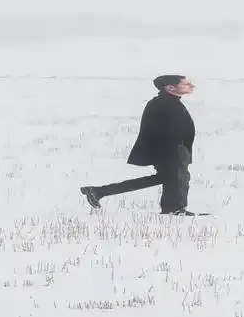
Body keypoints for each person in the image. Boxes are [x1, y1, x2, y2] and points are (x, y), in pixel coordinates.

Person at [80, 74, 202, 216]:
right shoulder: (163, 104)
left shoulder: (169, 102)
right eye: (185, 84)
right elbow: (157, 131)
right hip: (168, 152)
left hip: (173, 151)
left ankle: (98, 191)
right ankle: (174, 210)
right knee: (177, 178)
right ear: (170, 87)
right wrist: (175, 152)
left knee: (171, 178)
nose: (191, 86)